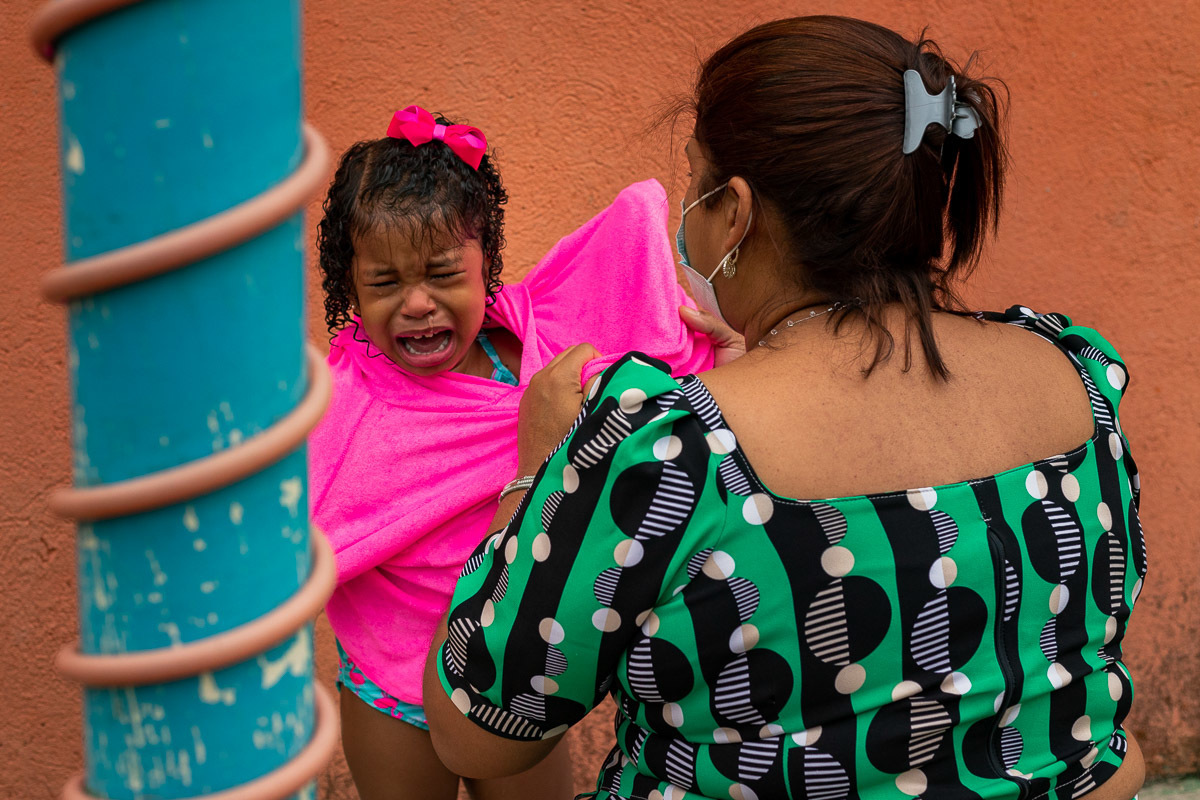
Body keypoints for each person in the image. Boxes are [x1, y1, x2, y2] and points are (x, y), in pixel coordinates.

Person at [424, 16, 1147, 800]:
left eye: (694, 184)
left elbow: (479, 735)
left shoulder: (672, 450)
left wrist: (533, 480)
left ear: (734, 212)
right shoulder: (1078, 373)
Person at [308, 105, 715, 800]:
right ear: (349, 286)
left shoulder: (542, 346)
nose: (417, 304)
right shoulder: (339, 405)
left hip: (514, 676)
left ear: (485, 265)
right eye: (384, 283)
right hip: (392, 689)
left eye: (443, 274)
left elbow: (635, 284)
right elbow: (290, 527)